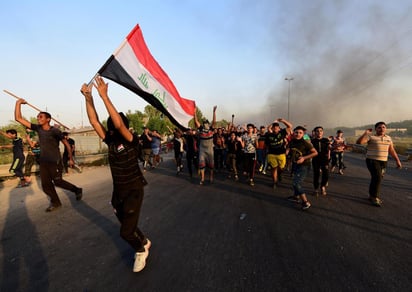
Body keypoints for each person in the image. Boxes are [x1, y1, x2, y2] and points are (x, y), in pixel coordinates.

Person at [81, 76, 151, 273]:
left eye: (114, 123)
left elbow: (119, 125)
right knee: (126, 222)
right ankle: (144, 241)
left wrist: (105, 97)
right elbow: (94, 121)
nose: (112, 127)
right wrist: (89, 98)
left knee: (125, 231)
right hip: (118, 192)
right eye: (111, 126)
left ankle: (140, 251)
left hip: (134, 190)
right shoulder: (110, 140)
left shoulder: (131, 139)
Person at [14, 101, 83, 211]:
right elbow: (18, 118)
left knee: (58, 181)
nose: (38, 118)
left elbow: (67, 144)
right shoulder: (38, 128)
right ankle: (55, 202)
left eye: (40, 117)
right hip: (43, 162)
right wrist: (18, 103)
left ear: (48, 119)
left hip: (54, 161)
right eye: (37, 117)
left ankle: (77, 190)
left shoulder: (55, 131)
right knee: (46, 185)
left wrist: (70, 158)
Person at [356, 122, 402, 207]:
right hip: (372, 160)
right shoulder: (371, 137)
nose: (382, 129)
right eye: (379, 127)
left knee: (376, 178)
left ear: (386, 129)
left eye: (383, 127)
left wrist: (397, 160)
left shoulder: (388, 138)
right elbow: (359, 142)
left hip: (383, 161)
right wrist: (365, 133)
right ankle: (374, 197)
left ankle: (371, 195)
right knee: (378, 177)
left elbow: (391, 150)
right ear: (376, 129)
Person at [287, 126, 318, 210]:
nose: (298, 134)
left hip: (304, 165)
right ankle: (295, 197)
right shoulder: (292, 141)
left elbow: (315, 153)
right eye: (296, 132)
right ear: (294, 133)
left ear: (303, 134)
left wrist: (304, 158)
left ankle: (306, 202)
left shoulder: (305, 143)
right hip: (296, 164)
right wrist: (287, 152)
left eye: (300, 133)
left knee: (296, 183)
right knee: (295, 180)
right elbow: (289, 149)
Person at [265, 118, 292, 189]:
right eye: (274, 127)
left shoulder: (282, 133)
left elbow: (290, 126)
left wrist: (283, 121)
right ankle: (274, 182)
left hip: (281, 154)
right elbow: (267, 145)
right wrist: (273, 122)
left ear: (279, 128)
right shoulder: (268, 135)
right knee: (274, 169)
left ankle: (279, 174)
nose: (275, 128)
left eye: (277, 127)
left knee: (281, 168)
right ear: (272, 128)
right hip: (271, 154)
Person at [194, 106, 217, 185]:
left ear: (208, 124)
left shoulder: (211, 129)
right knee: (201, 164)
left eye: (206, 123)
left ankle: (211, 177)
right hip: (202, 150)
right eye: (204, 123)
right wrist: (194, 113)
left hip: (210, 150)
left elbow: (214, 122)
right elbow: (196, 121)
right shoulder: (201, 129)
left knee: (211, 165)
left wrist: (214, 112)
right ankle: (202, 178)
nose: (205, 124)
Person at [311, 126, 331, 196]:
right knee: (316, 175)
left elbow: (329, 148)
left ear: (323, 132)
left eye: (321, 131)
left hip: (324, 160)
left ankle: (322, 186)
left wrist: (329, 153)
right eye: (317, 131)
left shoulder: (326, 140)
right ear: (315, 132)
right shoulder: (312, 141)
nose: (319, 132)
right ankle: (316, 189)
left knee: (326, 175)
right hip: (315, 159)